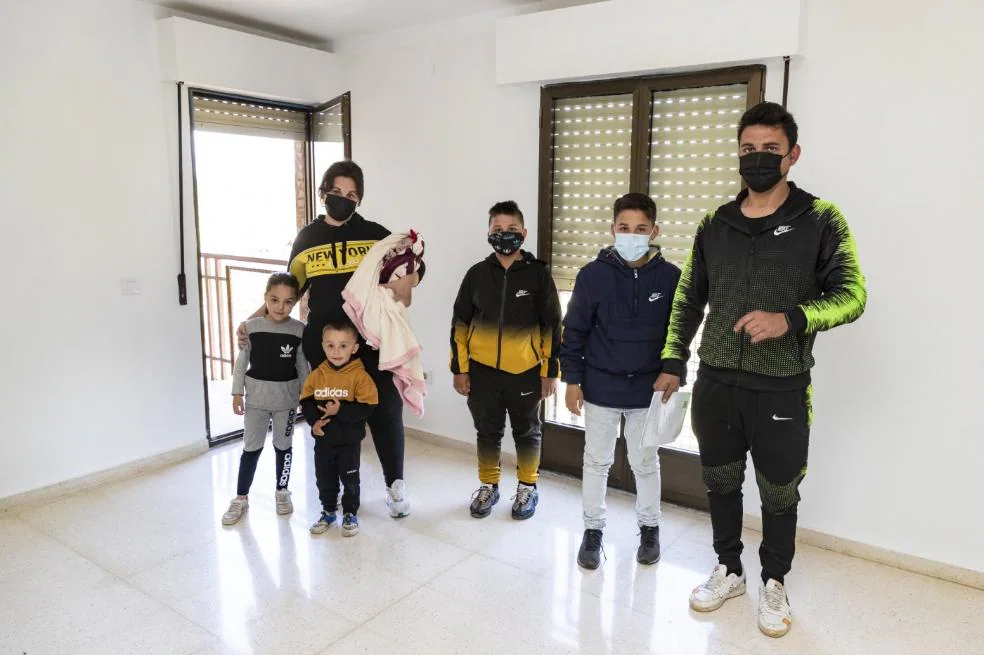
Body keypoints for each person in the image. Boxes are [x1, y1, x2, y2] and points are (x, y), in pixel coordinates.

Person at [654, 102, 866, 638]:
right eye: (748, 150)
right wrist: (673, 360)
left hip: (781, 390)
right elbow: (687, 299)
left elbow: (853, 295)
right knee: (721, 484)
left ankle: (775, 581)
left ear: (792, 155)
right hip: (718, 384)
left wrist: (791, 319)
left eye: (770, 150)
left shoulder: (821, 220)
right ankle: (728, 568)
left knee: (779, 493)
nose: (758, 159)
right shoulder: (715, 224)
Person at [238, 161, 414, 518]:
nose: (344, 200)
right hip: (324, 345)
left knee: (384, 412)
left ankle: (395, 486)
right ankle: (333, 490)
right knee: (330, 415)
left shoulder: (374, 234)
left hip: (370, 341)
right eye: (337, 193)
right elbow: (289, 289)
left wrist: (406, 284)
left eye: (352, 195)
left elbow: (410, 260)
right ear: (323, 193)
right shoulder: (306, 238)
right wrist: (254, 318)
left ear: (359, 199)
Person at [559, 193, 681, 570]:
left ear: (654, 231)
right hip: (601, 387)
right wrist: (573, 380)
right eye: (624, 228)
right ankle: (593, 532)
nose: (631, 235)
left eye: (640, 229)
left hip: (649, 390)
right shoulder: (592, 275)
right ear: (613, 230)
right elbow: (574, 330)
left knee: (646, 462)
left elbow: (679, 333)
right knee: (596, 462)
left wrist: (674, 370)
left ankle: (649, 529)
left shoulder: (671, 277)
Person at [450, 201, 561, 520]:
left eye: (512, 230)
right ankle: (489, 485)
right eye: (498, 230)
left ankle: (528, 487)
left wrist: (550, 371)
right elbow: (459, 324)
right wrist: (460, 369)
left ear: (524, 233)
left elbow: (553, 325)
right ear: (488, 233)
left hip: (525, 371)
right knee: (487, 431)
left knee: (527, 431)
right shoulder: (476, 275)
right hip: (482, 373)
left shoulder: (538, 275)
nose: (505, 236)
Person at [222, 273, 308, 526]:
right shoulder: (251, 327)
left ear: (294, 303)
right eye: (274, 300)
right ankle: (241, 497)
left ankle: (282, 491)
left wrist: (307, 394)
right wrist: (237, 392)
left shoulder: (298, 330)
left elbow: (302, 365)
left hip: (287, 401)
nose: (281, 307)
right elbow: (241, 363)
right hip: (256, 401)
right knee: (251, 448)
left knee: (284, 446)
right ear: (265, 298)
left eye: (288, 302)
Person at [300, 319, 378, 537]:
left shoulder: (360, 376)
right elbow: (306, 401)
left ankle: (350, 513)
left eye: (343, 346)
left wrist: (340, 410)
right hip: (323, 441)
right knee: (324, 478)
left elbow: (368, 406)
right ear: (323, 345)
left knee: (350, 479)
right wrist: (314, 422)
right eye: (330, 345)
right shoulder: (317, 375)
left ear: (353, 348)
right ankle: (328, 511)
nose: (336, 351)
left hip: (349, 442)